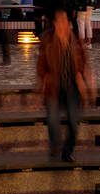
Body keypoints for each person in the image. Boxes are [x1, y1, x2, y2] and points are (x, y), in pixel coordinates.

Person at [37, 11, 92, 162]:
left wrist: (84, 80)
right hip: (53, 85)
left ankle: (67, 152)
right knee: (53, 120)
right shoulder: (47, 40)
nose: (64, 24)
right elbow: (41, 63)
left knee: (74, 122)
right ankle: (55, 145)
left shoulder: (74, 40)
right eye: (60, 20)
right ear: (54, 23)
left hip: (71, 86)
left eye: (65, 20)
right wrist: (43, 80)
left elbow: (83, 61)